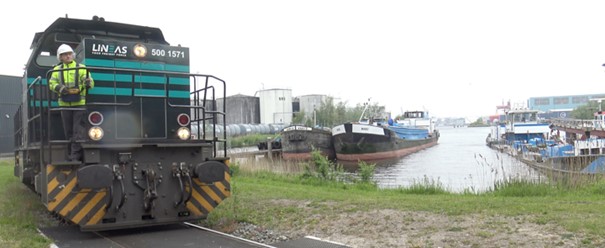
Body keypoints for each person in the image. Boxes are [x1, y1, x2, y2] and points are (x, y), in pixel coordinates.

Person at [48, 44, 94, 161]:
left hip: (79, 104)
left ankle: (74, 156)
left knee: (77, 131)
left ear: (72, 55)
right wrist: (60, 88)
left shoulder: (82, 68)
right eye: (64, 54)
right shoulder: (56, 70)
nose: (67, 56)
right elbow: (51, 84)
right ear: (60, 57)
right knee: (68, 131)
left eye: (69, 54)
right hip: (64, 105)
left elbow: (90, 83)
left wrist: (88, 83)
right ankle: (72, 154)